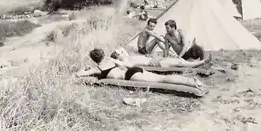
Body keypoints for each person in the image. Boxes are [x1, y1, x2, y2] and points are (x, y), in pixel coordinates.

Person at [75, 48, 205, 90]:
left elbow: (79, 75)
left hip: (130, 76)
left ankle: (191, 82)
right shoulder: (110, 60)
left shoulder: (96, 69)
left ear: (94, 60)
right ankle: (190, 81)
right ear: (103, 54)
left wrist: (84, 68)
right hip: (133, 70)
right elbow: (124, 65)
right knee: (162, 77)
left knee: (162, 80)